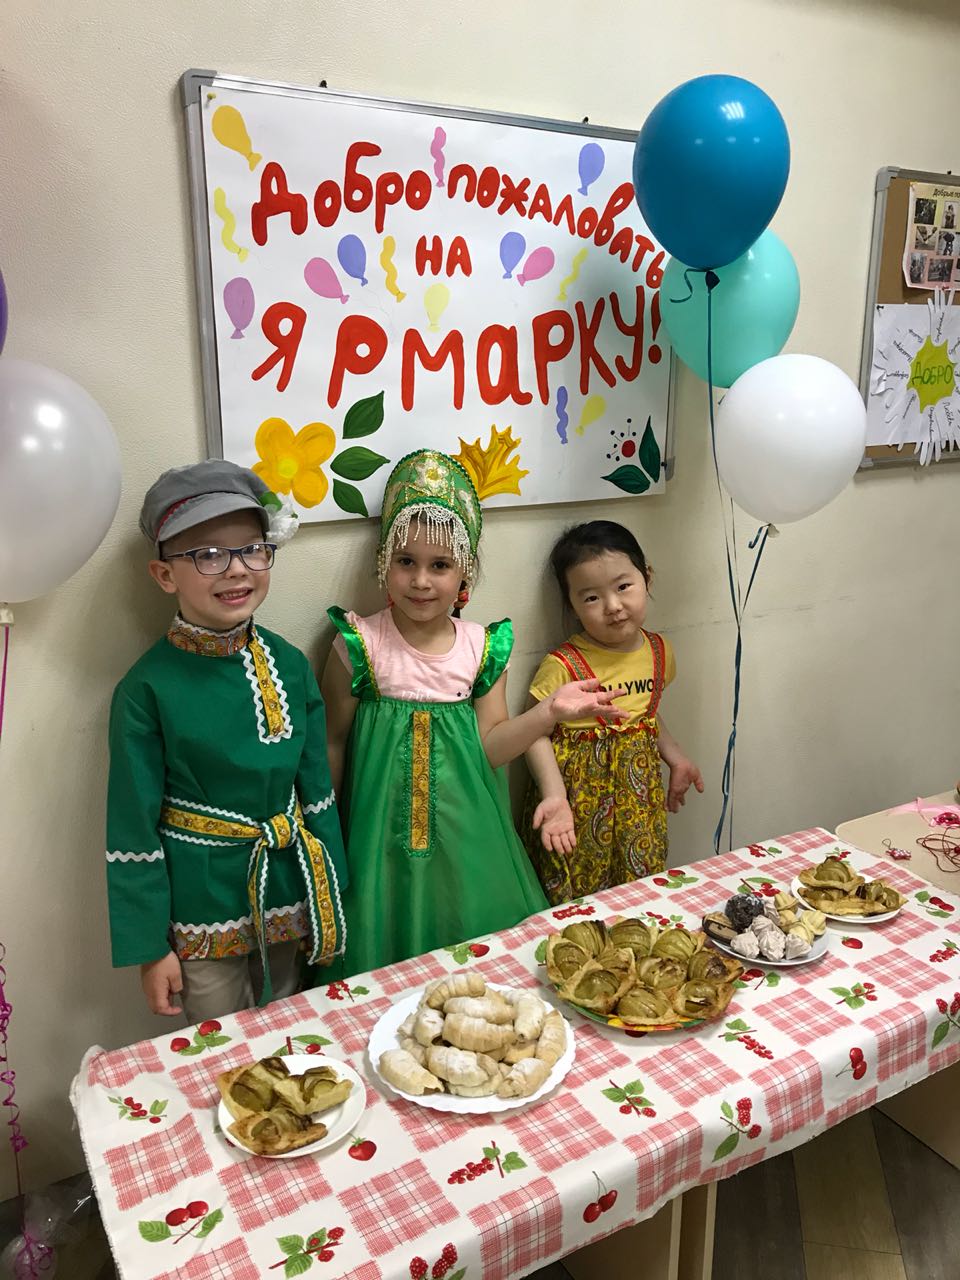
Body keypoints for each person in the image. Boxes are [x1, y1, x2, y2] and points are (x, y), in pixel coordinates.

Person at [322, 450, 623, 974]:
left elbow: (492, 747)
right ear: (383, 562)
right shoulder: (359, 645)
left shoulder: (482, 648)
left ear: (465, 571)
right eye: (405, 561)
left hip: (470, 841)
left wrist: (547, 713)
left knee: (479, 968)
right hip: (376, 847)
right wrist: (325, 833)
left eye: (440, 565)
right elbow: (332, 741)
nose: (421, 581)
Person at [106, 461, 347, 1021]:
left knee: (290, 1028)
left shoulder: (291, 665)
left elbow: (317, 795)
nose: (236, 569)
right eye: (209, 554)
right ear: (164, 575)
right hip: (201, 906)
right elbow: (131, 828)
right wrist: (150, 947)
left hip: (288, 888)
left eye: (253, 549)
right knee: (222, 1046)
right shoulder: (145, 689)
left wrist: (332, 893)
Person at [521, 520, 703, 904]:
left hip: (639, 807)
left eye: (623, 587)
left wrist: (676, 757)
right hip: (575, 810)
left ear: (647, 578)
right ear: (571, 605)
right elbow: (534, 732)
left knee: (638, 896)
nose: (613, 607)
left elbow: (645, 716)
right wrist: (554, 795)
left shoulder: (659, 652)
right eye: (591, 598)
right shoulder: (562, 665)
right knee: (575, 903)